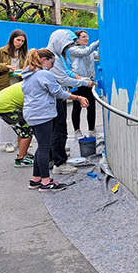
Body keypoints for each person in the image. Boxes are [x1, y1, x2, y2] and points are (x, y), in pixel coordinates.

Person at [21, 48, 89, 192]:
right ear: (44, 60)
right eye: (52, 62)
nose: (52, 66)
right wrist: (77, 97)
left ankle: (36, 179)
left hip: (32, 114)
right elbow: (57, 92)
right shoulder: (43, 74)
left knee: (41, 146)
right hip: (42, 114)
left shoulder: (28, 75)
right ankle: (46, 182)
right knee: (45, 148)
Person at [46, 29, 94, 174]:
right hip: (55, 97)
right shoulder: (52, 56)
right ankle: (59, 163)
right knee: (59, 130)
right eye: (66, 45)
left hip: (57, 96)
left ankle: (53, 156)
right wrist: (85, 83)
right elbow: (63, 79)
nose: (68, 48)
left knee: (55, 130)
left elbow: (67, 72)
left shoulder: (57, 55)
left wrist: (82, 79)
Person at [0, 29, 28, 154]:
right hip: (3, 86)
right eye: (18, 40)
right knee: (5, 117)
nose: (20, 43)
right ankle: (8, 142)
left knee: (21, 115)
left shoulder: (23, 54)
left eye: (22, 41)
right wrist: (6, 67)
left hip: (18, 86)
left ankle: (21, 140)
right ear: (12, 39)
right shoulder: (1, 52)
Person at [0, 82, 34, 168]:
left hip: (0, 104)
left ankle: (23, 152)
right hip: (5, 107)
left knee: (21, 129)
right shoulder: (34, 88)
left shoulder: (28, 82)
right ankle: (21, 159)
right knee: (27, 130)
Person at [68, 30, 99, 139]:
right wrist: (98, 42)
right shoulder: (73, 49)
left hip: (89, 82)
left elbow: (97, 55)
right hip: (78, 82)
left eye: (87, 36)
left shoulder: (89, 50)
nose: (86, 38)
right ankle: (77, 131)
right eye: (83, 37)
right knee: (77, 107)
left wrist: (100, 47)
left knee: (91, 107)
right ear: (77, 39)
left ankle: (92, 130)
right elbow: (85, 53)